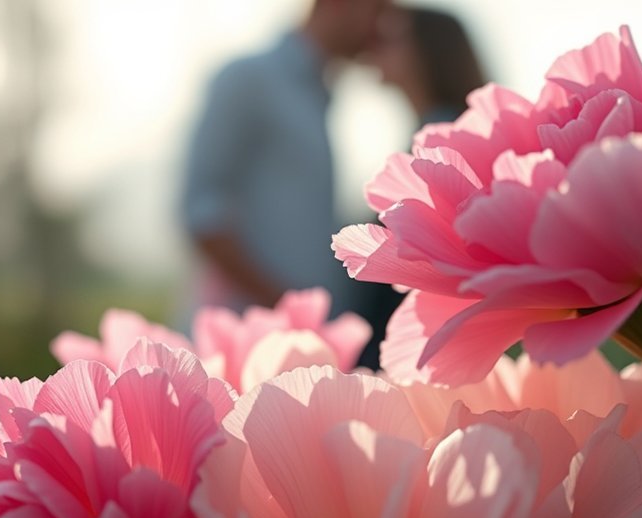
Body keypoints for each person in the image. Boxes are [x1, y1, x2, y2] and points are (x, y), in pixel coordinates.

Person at [181, 0, 391, 314]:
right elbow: (202, 212)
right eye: (378, 12)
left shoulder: (317, 94)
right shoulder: (248, 79)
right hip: (243, 337)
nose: (381, 30)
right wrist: (285, 308)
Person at [357, 5, 487, 368]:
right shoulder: (440, 129)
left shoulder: (443, 141)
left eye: (391, 37)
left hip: (420, 342)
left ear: (427, 51)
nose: (375, 46)